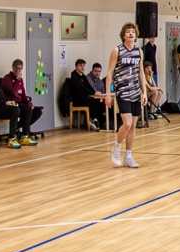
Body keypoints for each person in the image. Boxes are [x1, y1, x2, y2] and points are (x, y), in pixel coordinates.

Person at [109, 21, 158, 167]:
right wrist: (107, 94)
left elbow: (141, 72)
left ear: (136, 35)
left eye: (133, 32)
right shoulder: (117, 51)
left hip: (136, 91)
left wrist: (144, 92)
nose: (131, 33)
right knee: (127, 123)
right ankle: (117, 147)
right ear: (123, 35)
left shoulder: (139, 52)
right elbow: (110, 72)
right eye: (128, 31)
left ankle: (128, 157)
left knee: (133, 126)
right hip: (123, 90)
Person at [0, 60, 41, 145]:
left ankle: (24, 135)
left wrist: (28, 102)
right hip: (12, 102)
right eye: (17, 68)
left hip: (20, 102)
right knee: (20, 109)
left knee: (32, 109)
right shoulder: (7, 79)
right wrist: (17, 80)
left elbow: (23, 94)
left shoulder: (20, 80)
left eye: (20, 68)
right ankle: (13, 135)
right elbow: (13, 92)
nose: (19, 70)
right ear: (13, 68)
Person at [61, 58, 105, 130]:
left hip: (84, 98)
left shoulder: (83, 77)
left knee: (100, 103)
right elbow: (82, 89)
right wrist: (94, 93)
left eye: (83, 65)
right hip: (77, 100)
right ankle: (92, 119)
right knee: (94, 101)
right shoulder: (74, 77)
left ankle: (98, 121)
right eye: (80, 65)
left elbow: (89, 87)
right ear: (76, 66)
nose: (82, 67)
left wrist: (95, 93)